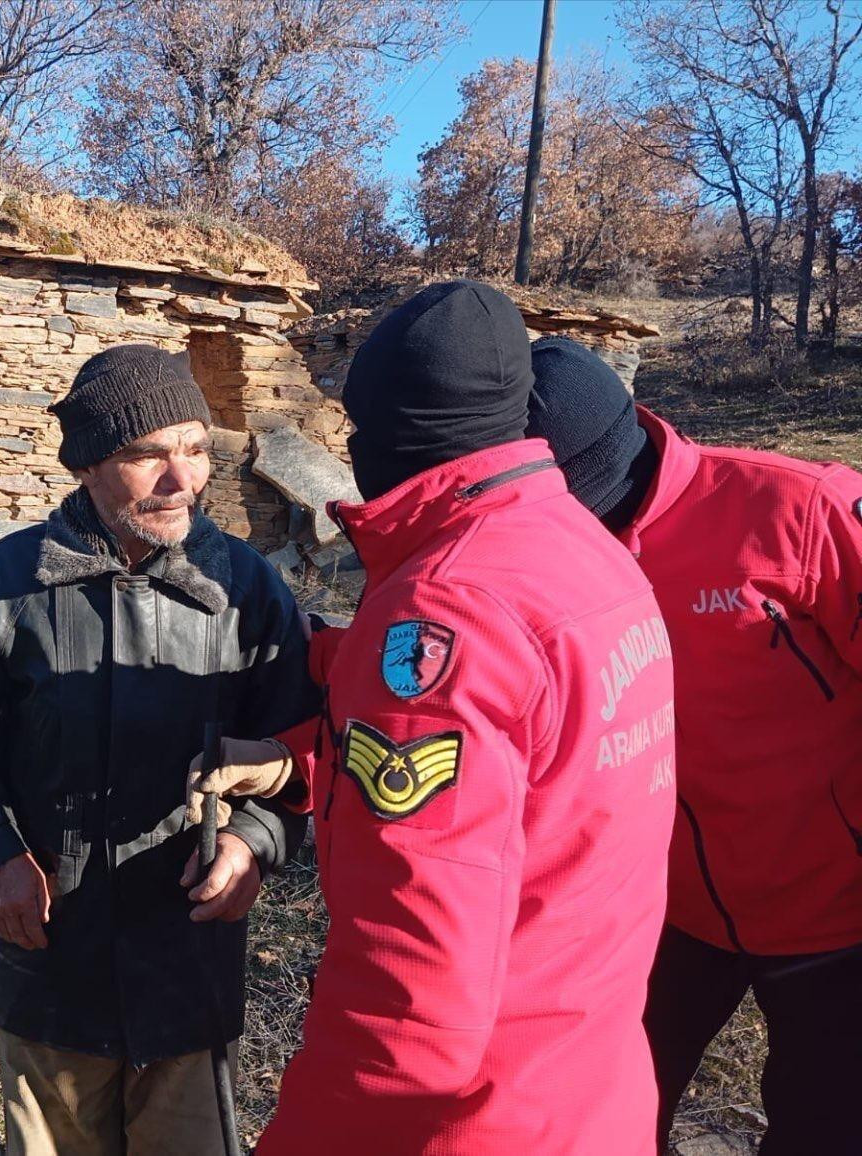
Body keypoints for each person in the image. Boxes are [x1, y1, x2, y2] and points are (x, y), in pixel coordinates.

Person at [248, 282, 675, 1154]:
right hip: (590, 1084)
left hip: (475, 1118)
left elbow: (410, 1002)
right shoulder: (588, 551)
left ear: (390, 433)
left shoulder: (441, 615)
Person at [0, 343, 316, 1156]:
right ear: (90, 463)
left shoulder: (248, 588)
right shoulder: (5, 584)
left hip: (188, 966)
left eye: (195, 450)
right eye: (147, 454)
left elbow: (301, 747)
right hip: (53, 964)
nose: (182, 479)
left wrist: (255, 843)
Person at [525, 335, 862, 1155]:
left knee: (824, 1128)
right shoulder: (536, 545)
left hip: (835, 915)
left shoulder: (799, 507)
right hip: (655, 912)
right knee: (606, 1121)